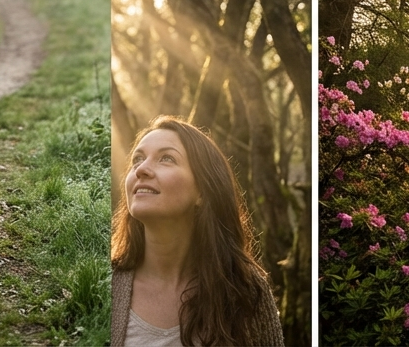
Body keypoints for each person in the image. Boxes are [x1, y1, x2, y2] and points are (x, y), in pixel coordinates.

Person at [111, 116, 284, 346]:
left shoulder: (245, 291)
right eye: (138, 159)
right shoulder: (106, 281)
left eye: (166, 158)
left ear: (202, 191)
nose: (142, 169)